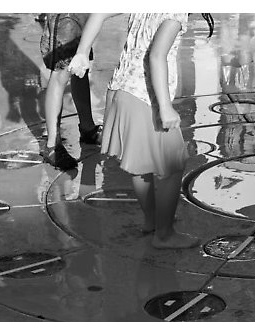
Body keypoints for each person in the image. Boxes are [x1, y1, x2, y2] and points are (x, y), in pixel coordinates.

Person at [68, 13, 214, 249]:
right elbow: (157, 56)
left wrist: (82, 52)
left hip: (120, 90)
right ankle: (164, 235)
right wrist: (165, 107)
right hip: (145, 97)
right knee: (171, 166)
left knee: (141, 166)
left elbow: (100, 11)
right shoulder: (176, 12)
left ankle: (151, 221)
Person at [40, 13, 103, 170]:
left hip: (81, 13)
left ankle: (87, 128)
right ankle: (52, 145)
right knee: (61, 70)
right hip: (66, 15)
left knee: (80, 67)